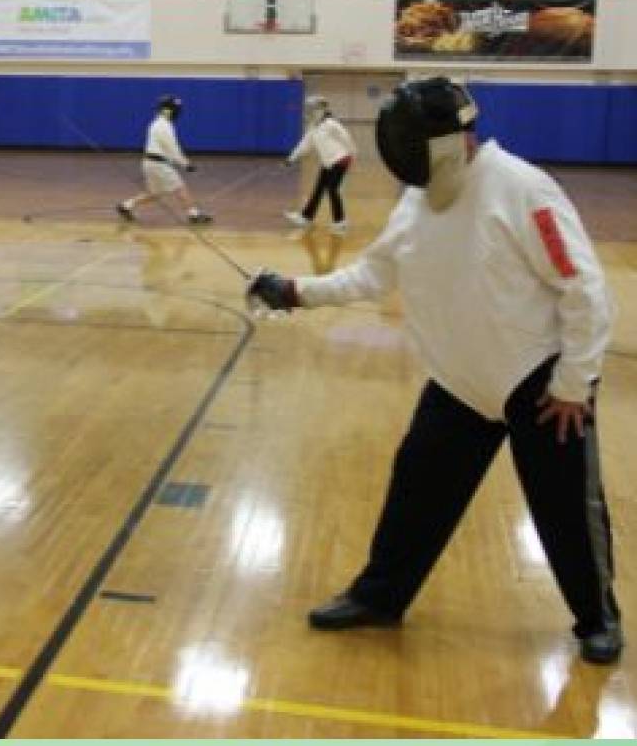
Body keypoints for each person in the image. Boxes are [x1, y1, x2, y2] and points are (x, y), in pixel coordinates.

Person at [248, 76, 622, 665]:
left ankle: (597, 618)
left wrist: (574, 383)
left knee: (566, 509)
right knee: (416, 493)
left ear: (448, 139)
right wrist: (295, 291)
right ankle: (381, 597)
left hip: (542, 384)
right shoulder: (416, 202)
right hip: (459, 382)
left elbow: (583, 288)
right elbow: (372, 275)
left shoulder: (522, 188)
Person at [116, 95, 212, 224]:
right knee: (180, 187)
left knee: (155, 193)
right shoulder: (164, 126)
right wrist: (186, 164)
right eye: (176, 110)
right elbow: (172, 148)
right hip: (158, 164)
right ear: (169, 110)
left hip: (150, 163)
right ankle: (194, 215)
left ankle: (126, 206)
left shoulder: (158, 123)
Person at [283, 95, 357, 234]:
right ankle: (306, 218)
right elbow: (305, 145)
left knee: (332, 189)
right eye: (308, 109)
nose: (309, 112)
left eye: (312, 109)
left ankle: (340, 222)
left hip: (341, 159)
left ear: (321, 110)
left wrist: (352, 155)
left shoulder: (331, 124)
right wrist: (291, 158)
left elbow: (346, 138)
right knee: (318, 190)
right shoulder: (313, 127)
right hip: (328, 162)